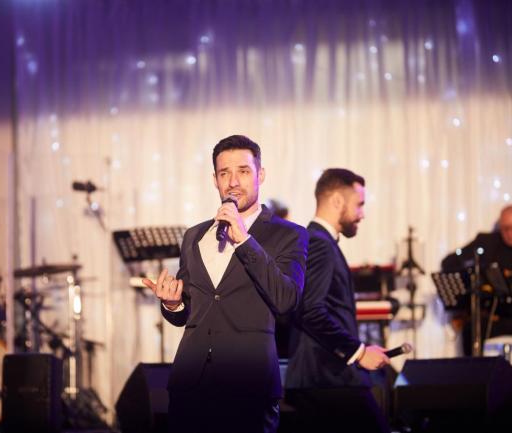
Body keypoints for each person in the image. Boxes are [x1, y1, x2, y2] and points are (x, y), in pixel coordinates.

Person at [142, 135, 308, 433]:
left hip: (249, 385)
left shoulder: (288, 235)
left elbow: (286, 299)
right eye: (224, 173)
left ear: (260, 174)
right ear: (214, 180)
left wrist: (244, 240)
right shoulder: (195, 236)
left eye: (243, 171)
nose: (233, 182)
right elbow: (187, 312)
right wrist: (173, 303)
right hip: (190, 384)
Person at [285, 168, 390, 433]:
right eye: (359, 204)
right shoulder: (319, 243)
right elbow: (310, 310)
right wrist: (360, 352)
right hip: (326, 378)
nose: (362, 214)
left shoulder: (318, 241)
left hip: (323, 379)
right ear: (337, 201)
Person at [441, 205, 512, 355]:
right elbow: (450, 262)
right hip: (493, 319)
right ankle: (473, 368)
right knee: (472, 327)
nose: (509, 233)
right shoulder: (488, 243)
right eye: (505, 228)